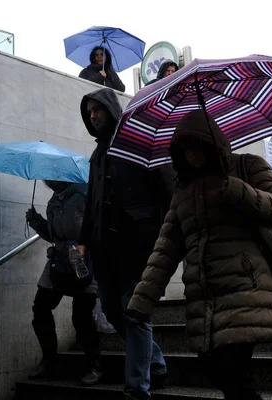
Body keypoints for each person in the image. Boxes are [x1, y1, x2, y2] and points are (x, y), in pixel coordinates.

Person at [127, 109, 272, 400]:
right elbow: (166, 249)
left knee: (236, 374)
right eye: (184, 149)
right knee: (217, 371)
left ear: (211, 143)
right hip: (204, 298)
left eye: (196, 146)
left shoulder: (246, 166)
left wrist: (239, 191)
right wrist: (143, 299)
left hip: (245, 288)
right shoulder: (183, 191)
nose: (191, 154)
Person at [77, 87, 175, 400]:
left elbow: (167, 189)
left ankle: (137, 389)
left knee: (134, 314)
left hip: (137, 246)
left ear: (111, 109)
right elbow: (91, 199)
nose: (93, 116)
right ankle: (156, 364)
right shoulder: (96, 154)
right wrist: (82, 241)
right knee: (111, 310)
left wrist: (168, 234)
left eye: (98, 110)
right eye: (89, 112)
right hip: (103, 251)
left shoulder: (138, 141)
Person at [25, 181, 102, 386]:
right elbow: (53, 235)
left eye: (52, 177)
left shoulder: (84, 196)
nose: (47, 182)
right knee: (40, 308)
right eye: (46, 179)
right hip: (59, 259)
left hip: (82, 258)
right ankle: (49, 361)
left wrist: (84, 246)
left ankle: (93, 365)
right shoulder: (54, 202)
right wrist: (36, 221)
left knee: (81, 315)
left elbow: (98, 227)